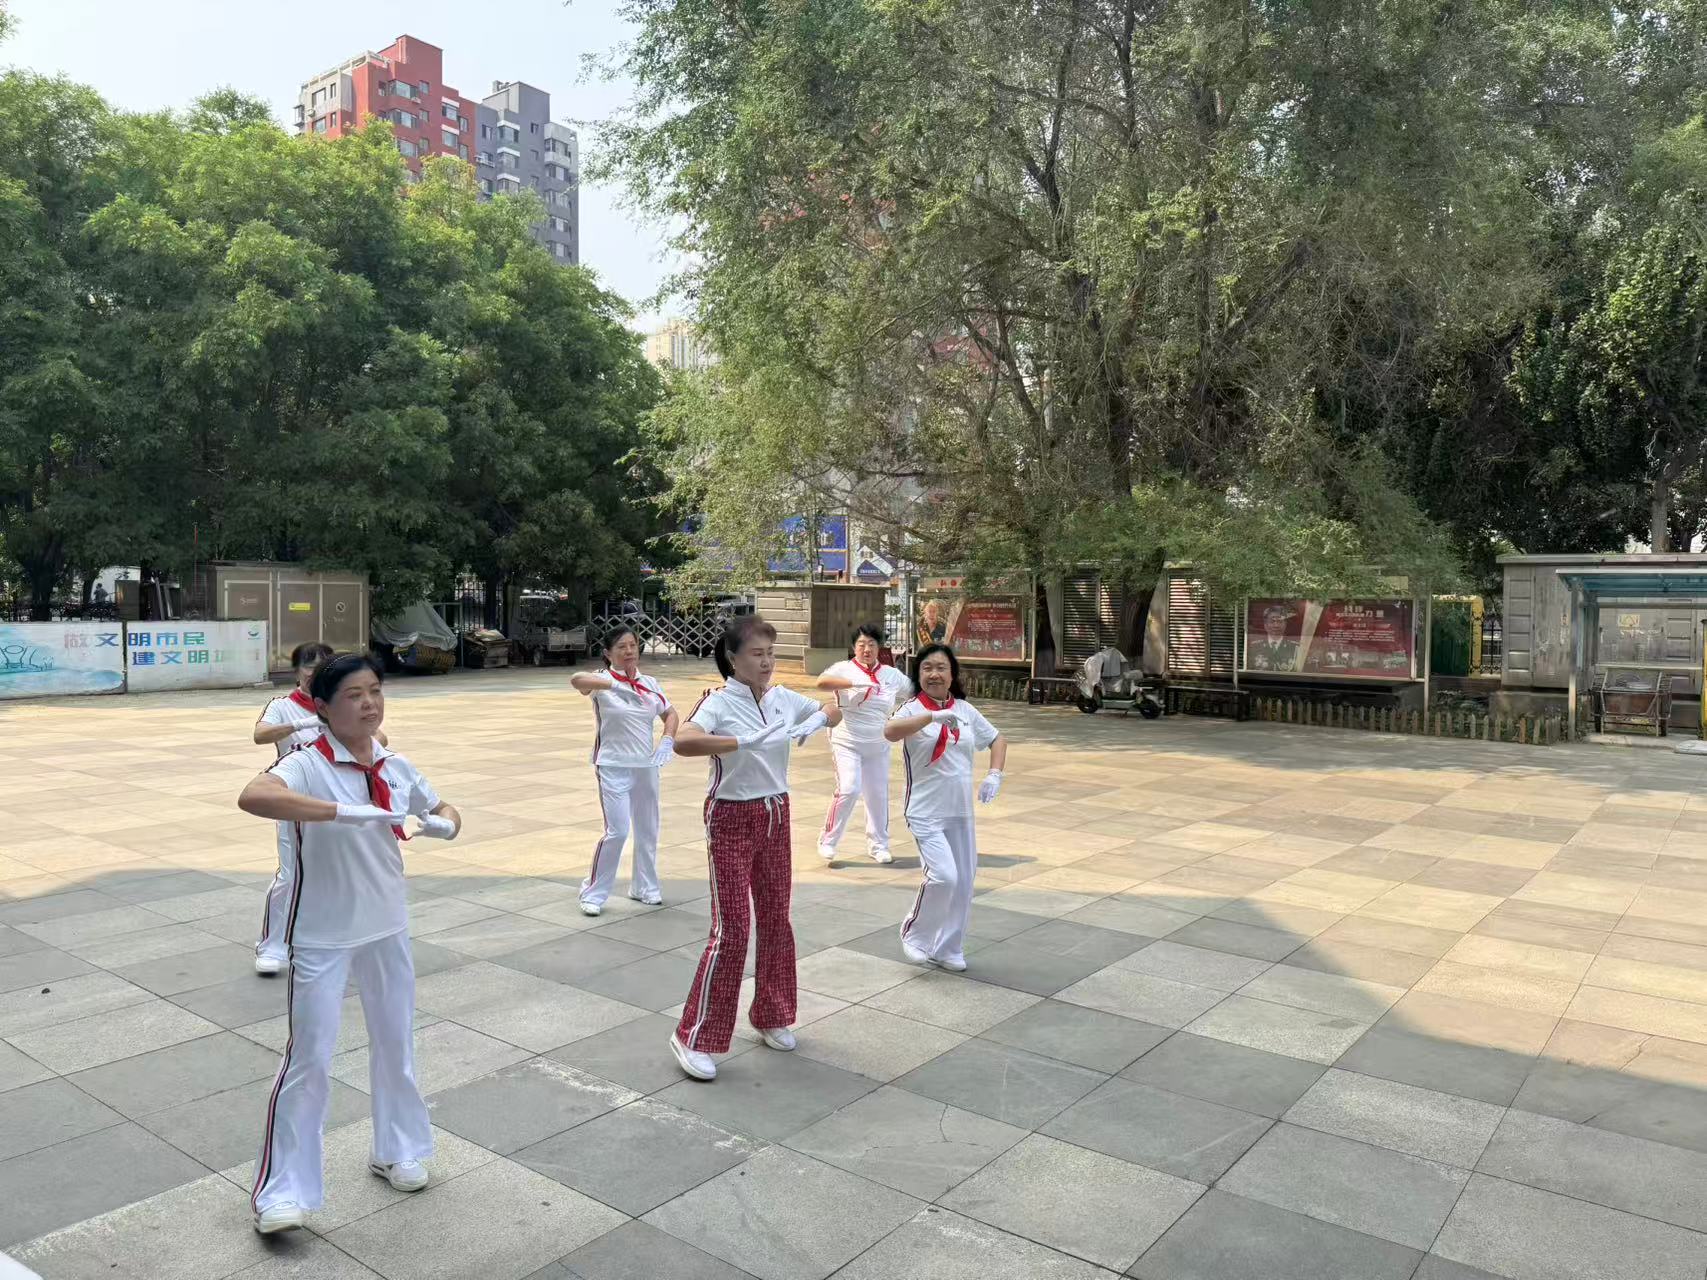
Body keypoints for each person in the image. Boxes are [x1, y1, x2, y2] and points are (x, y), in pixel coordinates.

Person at [235, 653, 461, 1236]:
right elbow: (255, 796)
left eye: (375, 691)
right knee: (309, 1057)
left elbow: (441, 806)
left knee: (396, 1042)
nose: (369, 703)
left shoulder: (394, 763)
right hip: (323, 933)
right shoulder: (308, 763)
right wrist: (343, 812)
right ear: (323, 707)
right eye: (354, 695)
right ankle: (282, 1191)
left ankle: (397, 1149)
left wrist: (444, 822)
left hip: (387, 926)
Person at [668, 615, 842, 1082]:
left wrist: (818, 720)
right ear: (733, 658)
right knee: (732, 929)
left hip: (775, 812)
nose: (766, 662)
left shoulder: (782, 697)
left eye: (771, 654)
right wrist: (740, 741)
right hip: (731, 816)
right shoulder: (719, 701)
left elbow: (832, 708)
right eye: (756, 654)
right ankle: (694, 1035)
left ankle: (772, 1013)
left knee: (776, 918)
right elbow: (683, 740)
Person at [886, 643, 1007, 972]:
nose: (934, 674)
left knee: (964, 882)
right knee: (943, 877)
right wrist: (932, 716)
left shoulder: (965, 710)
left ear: (952, 675)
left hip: (960, 811)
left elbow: (997, 739)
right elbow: (890, 731)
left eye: (941, 668)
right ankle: (915, 935)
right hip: (925, 810)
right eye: (927, 668)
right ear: (919, 674)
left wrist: (994, 774)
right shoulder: (912, 709)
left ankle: (948, 947)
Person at [572, 623, 679, 916]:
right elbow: (576, 680)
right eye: (621, 647)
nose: (629, 651)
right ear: (608, 653)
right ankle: (593, 893)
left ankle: (644, 887)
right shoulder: (601, 680)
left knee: (648, 829)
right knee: (617, 831)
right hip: (613, 766)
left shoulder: (649, 682)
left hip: (646, 766)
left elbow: (670, 713)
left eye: (633, 645)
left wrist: (667, 740)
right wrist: (615, 684)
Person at [251, 642, 335, 976]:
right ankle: (272, 946)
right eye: (308, 666)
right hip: (294, 802)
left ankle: (327, 938)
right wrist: (302, 725)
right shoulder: (282, 706)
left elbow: (378, 739)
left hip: (336, 799)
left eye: (322, 666)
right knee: (290, 874)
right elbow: (261, 734)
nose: (314, 672)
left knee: (336, 871)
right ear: (297, 671)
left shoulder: (339, 703)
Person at [814, 625, 911, 864]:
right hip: (847, 740)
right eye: (861, 644)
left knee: (877, 794)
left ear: (879, 647)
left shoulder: (891, 674)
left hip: (878, 743)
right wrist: (851, 684)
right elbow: (821, 682)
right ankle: (828, 840)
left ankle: (879, 845)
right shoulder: (843, 669)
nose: (866, 649)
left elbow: (915, 693)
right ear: (854, 647)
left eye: (871, 644)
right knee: (849, 788)